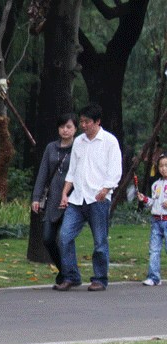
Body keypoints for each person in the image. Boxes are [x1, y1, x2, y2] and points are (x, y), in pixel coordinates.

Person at [55, 103, 123, 292]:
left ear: (97, 122)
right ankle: (71, 276)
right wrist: (64, 193)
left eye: (87, 122)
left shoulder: (109, 141)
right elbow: (73, 171)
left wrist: (106, 189)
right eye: (82, 121)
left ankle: (100, 278)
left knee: (100, 241)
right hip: (78, 199)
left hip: (98, 199)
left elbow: (115, 170)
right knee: (64, 236)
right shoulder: (79, 141)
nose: (83, 125)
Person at [30, 113, 77, 286]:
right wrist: (36, 197)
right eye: (62, 127)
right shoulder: (51, 147)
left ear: (75, 129)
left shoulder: (78, 148)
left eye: (69, 127)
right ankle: (64, 271)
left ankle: (69, 275)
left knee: (65, 238)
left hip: (72, 200)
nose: (65, 130)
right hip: (52, 199)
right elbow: (43, 173)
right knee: (48, 239)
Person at [136, 154, 167, 286]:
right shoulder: (156, 185)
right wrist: (144, 199)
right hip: (156, 221)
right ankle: (154, 277)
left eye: (166, 165)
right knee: (154, 249)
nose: (163, 168)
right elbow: (152, 202)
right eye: (161, 166)